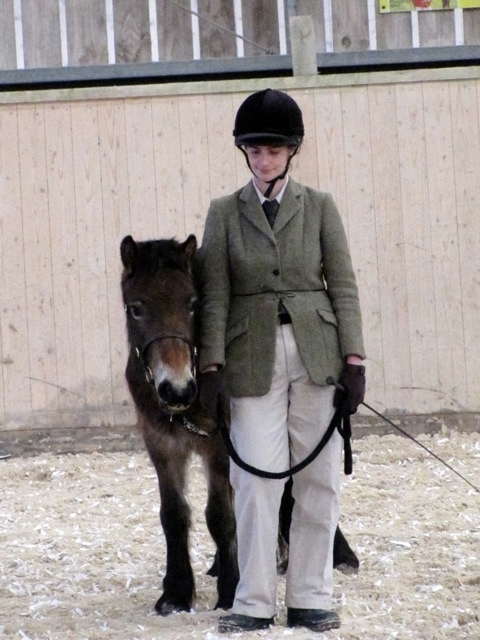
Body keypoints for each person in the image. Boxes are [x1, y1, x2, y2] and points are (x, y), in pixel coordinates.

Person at [197, 88, 366, 634]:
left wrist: (355, 359)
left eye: (273, 150)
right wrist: (210, 367)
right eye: (255, 150)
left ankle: (311, 596)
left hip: (317, 352)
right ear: (244, 152)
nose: (264, 160)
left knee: (319, 477)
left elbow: (342, 285)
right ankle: (253, 601)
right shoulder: (224, 213)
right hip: (251, 356)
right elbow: (215, 295)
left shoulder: (319, 207)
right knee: (254, 481)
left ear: (292, 150)